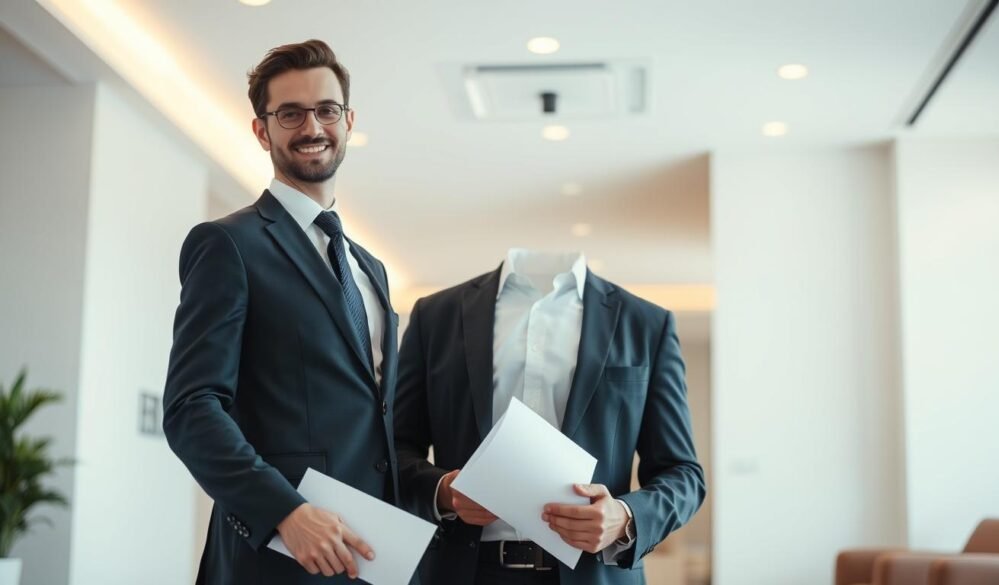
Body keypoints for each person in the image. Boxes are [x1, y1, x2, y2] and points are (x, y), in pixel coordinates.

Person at [163, 39, 400, 585]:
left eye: (326, 110)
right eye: (290, 113)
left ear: (349, 120)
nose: (312, 126)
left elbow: (378, 421)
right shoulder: (227, 244)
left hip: (369, 558)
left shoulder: (372, 270)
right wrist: (285, 511)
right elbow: (192, 408)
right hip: (273, 558)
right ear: (262, 130)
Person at [395, 249, 706, 584]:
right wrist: (444, 492)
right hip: (464, 571)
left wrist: (625, 517)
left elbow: (683, 473)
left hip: (594, 573)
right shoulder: (436, 317)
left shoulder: (646, 323)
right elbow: (393, 449)